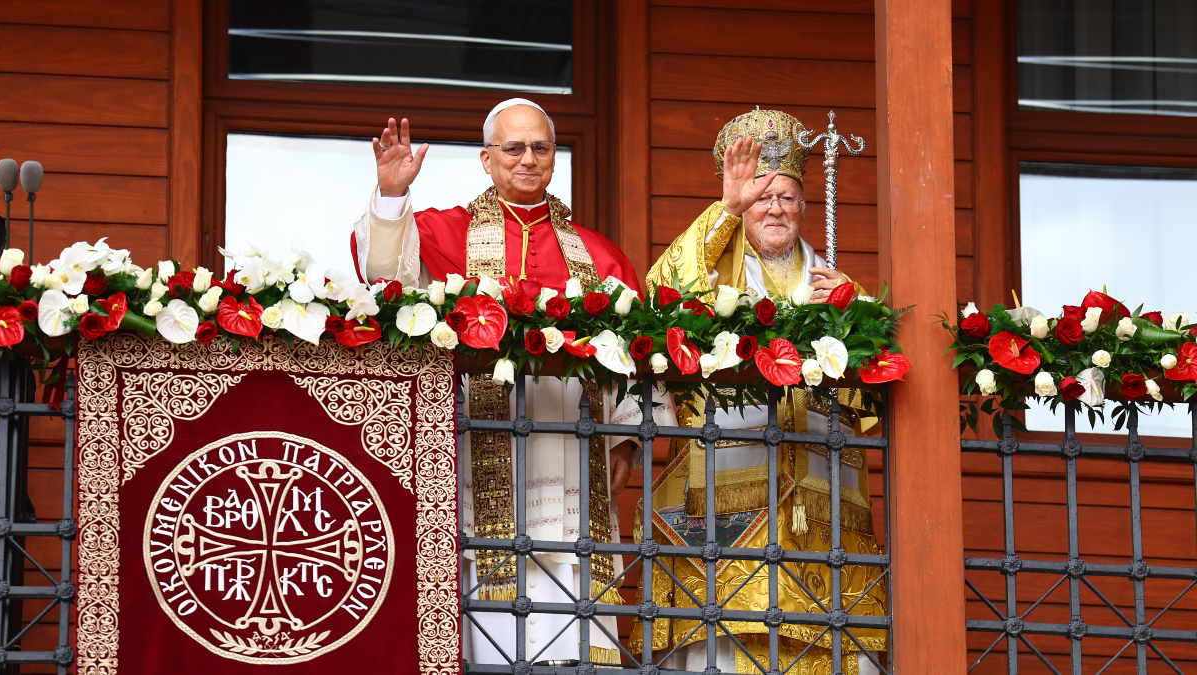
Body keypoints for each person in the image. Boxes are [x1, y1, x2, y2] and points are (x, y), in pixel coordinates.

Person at [349, 98, 675, 667]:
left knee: (569, 580)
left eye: (540, 148)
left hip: (572, 449)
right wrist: (394, 194)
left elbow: (633, 346)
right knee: (482, 591)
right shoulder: (443, 231)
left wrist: (624, 438)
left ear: (554, 157)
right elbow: (385, 280)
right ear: (486, 158)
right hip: (477, 443)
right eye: (513, 147)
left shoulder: (598, 254)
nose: (527, 159)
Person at [631, 109, 887, 674]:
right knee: (724, 646)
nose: (775, 209)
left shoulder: (835, 282)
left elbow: (876, 397)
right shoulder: (708, 269)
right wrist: (725, 206)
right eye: (760, 197)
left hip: (821, 511)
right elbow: (659, 296)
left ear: (804, 209)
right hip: (727, 502)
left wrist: (853, 312)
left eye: (789, 198)